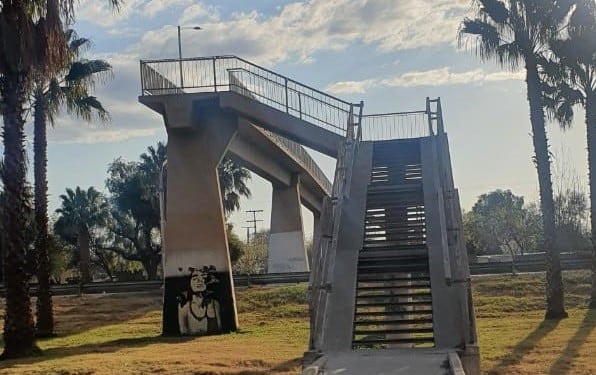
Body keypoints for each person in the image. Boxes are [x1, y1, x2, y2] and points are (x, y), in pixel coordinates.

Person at [177, 266, 221, 335]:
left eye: (203, 278)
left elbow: (218, 328)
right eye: (195, 278)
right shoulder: (184, 306)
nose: (199, 281)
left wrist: (210, 312)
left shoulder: (214, 304)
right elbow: (183, 331)